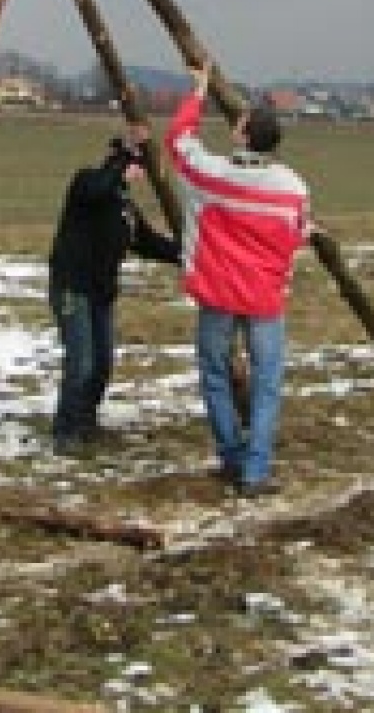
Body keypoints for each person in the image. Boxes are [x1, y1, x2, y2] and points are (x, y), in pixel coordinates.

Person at [166, 61, 311, 498]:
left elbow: (179, 143)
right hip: (265, 298)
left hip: (219, 294)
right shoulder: (292, 186)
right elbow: (299, 230)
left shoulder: (214, 178)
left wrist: (198, 93)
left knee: (214, 372)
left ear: (243, 136)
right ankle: (256, 470)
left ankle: (230, 455)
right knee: (267, 382)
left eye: (240, 122)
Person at [47, 124, 180, 456]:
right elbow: (98, 188)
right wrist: (124, 154)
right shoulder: (87, 184)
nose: (134, 171)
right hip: (73, 287)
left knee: (103, 362)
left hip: (101, 293)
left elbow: (147, 243)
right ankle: (67, 431)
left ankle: (87, 421)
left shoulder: (124, 208)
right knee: (82, 361)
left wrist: (185, 254)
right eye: (130, 164)